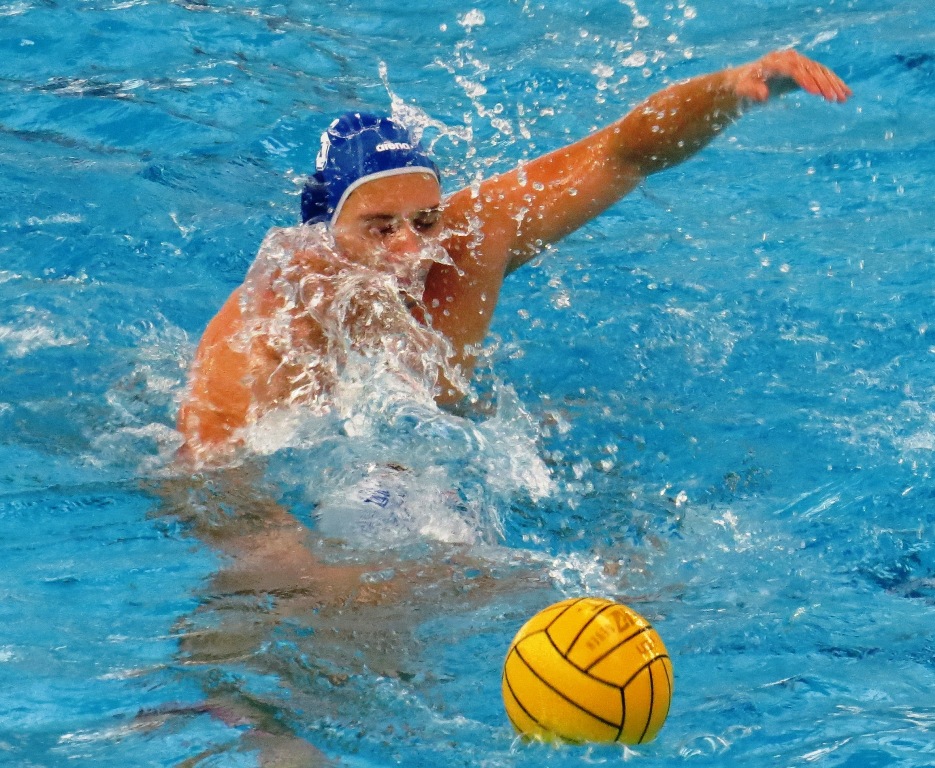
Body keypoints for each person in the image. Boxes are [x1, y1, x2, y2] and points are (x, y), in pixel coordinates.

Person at [177, 49, 851, 462]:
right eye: (380, 229)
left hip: (449, 455)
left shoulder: (467, 239)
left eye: (424, 220)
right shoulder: (269, 332)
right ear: (323, 231)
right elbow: (210, 483)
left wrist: (731, 87)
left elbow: (622, 152)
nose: (412, 249)